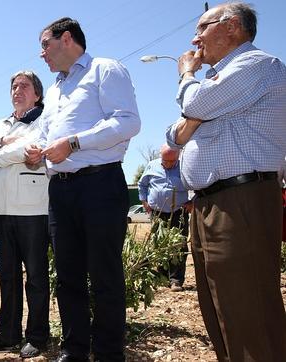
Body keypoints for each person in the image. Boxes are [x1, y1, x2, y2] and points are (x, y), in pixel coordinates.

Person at [166, 3, 286, 361]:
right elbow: (175, 134)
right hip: (210, 202)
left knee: (247, 310)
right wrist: (192, 114)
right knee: (220, 308)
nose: (195, 37)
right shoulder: (223, 81)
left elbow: (195, 107)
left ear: (232, 27)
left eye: (202, 26)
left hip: (242, 200)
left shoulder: (257, 65)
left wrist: (186, 75)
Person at [25, 17, 141, 362]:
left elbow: (129, 121)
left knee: (105, 275)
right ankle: (74, 350)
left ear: (66, 39)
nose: (42, 54)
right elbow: (45, 136)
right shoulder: (57, 89)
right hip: (61, 192)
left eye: (45, 44)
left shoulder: (105, 70)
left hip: (100, 185)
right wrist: (37, 150)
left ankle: (108, 352)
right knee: (67, 276)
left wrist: (73, 143)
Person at [0, 71, 50, 358]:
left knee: (36, 276)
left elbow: (31, 149)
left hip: (33, 209)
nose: (17, 90)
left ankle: (38, 336)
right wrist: (4, 141)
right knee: (7, 274)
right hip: (2, 210)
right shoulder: (2, 124)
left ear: (37, 94)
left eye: (24, 86)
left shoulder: (45, 119)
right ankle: (9, 333)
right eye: (14, 86)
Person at [137, 144, 190, 292]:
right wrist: (144, 201)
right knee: (158, 244)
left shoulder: (185, 166)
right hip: (157, 213)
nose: (168, 164)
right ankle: (162, 277)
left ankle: (176, 280)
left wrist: (192, 201)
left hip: (179, 212)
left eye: (172, 161)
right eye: (165, 161)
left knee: (178, 245)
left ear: (178, 157)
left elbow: (195, 185)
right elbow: (142, 185)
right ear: (161, 156)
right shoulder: (152, 165)